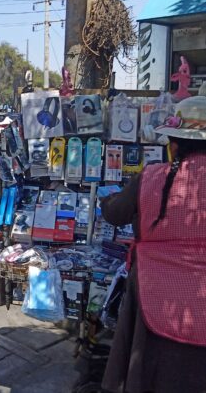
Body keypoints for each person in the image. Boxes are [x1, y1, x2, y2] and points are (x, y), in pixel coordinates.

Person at [100, 95, 206, 393]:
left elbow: (116, 213)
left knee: (149, 371)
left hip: (152, 292)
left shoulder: (152, 177)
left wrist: (108, 199)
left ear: (174, 143)